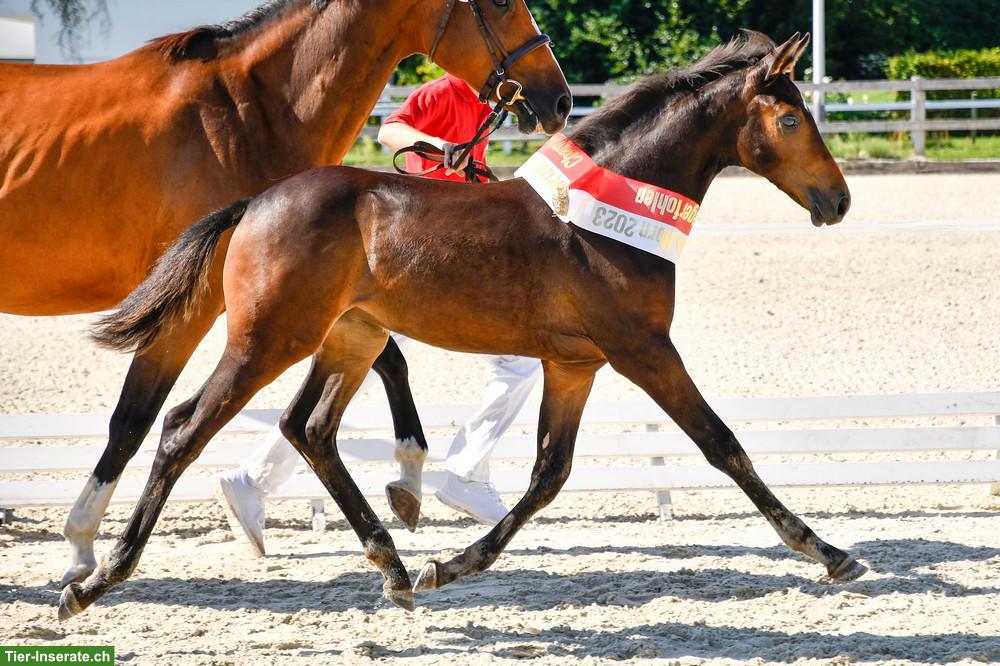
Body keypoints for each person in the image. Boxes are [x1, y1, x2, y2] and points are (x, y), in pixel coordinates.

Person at [213, 73, 542, 557]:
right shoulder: (445, 91)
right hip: (417, 247)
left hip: (442, 244)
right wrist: (438, 144)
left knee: (355, 373)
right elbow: (391, 130)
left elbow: (479, 164)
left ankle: (254, 480)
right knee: (515, 360)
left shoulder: (484, 105)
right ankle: (465, 473)